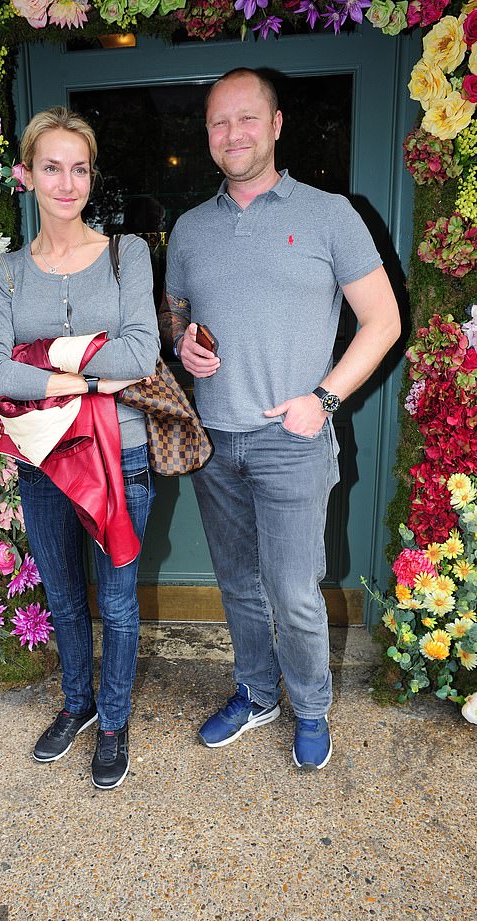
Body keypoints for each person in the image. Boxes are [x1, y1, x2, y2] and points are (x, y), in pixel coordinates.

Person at [160, 68, 400, 771]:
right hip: (216, 440)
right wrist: (183, 343)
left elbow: (383, 321)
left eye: (245, 118)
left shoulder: (329, 214)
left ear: (276, 125)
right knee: (236, 582)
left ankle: (312, 706)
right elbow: (177, 310)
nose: (231, 134)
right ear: (207, 136)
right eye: (217, 123)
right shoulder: (192, 228)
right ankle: (258, 692)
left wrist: (322, 399)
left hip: (293, 441)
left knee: (294, 590)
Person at [0, 107, 159, 790]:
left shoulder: (125, 254)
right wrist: (84, 375)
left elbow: (141, 352)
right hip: (42, 461)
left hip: (122, 456)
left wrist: (37, 364)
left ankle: (112, 720)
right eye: (52, 166)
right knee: (62, 594)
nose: (67, 181)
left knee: (117, 599)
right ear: (28, 175)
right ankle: (77, 703)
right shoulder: (9, 273)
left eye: (79, 168)